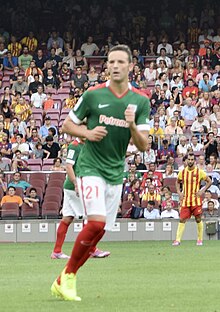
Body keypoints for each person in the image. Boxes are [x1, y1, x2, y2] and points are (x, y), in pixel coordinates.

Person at [51, 44, 150, 301]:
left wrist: (131, 125)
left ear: (130, 66)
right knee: (94, 222)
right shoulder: (93, 95)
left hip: (116, 171)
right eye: (111, 62)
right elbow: (66, 125)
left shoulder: (140, 101)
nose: (115, 66)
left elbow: (143, 145)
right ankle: (69, 276)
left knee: (100, 229)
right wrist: (87, 133)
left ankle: (63, 279)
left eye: (120, 62)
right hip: (90, 167)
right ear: (106, 65)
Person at [51, 139, 111, 259]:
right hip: (76, 186)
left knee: (67, 218)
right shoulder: (74, 146)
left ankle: (57, 251)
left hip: (73, 186)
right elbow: (68, 167)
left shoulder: (87, 145)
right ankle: (91, 249)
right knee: (91, 217)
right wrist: (76, 184)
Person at [173, 153, 212, 246]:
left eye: (191, 160)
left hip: (196, 200)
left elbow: (209, 181)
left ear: (194, 161)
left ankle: (199, 239)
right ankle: (177, 240)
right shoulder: (182, 172)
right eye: (188, 160)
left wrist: (202, 191)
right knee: (182, 219)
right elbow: (177, 182)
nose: (190, 161)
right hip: (186, 200)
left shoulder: (199, 172)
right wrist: (179, 192)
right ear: (186, 161)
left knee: (198, 219)